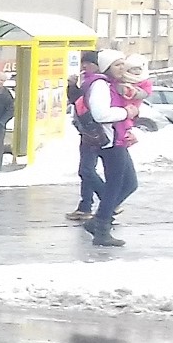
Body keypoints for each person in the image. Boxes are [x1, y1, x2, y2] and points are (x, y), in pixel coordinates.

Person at [80, 51, 140, 247]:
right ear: (106, 67)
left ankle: (98, 220)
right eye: (117, 65)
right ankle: (102, 228)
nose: (122, 68)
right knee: (115, 185)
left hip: (117, 139)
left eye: (123, 64)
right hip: (110, 141)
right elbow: (100, 114)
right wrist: (126, 112)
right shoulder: (100, 85)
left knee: (129, 183)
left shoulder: (110, 84)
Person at [66, 51, 104, 223]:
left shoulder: (96, 82)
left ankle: (108, 199)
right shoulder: (89, 80)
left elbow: (81, 104)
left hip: (94, 132)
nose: (83, 66)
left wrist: (73, 87)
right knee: (87, 170)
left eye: (87, 63)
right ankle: (85, 206)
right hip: (89, 131)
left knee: (86, 170)